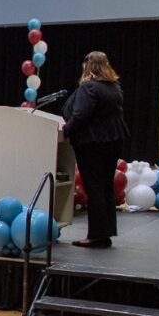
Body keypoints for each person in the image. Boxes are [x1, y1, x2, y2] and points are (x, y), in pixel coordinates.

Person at [62, 51, 130, 249]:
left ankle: (95, 236)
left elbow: (80, 114)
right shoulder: (114, 87)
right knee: (106, 187)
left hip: (92, 143)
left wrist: (67, 130)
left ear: (88, 66)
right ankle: (106, 232)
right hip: (113, 141)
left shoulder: (89, 88)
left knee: (94, 188)